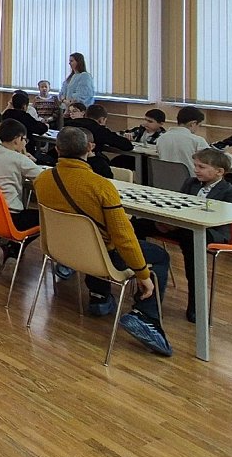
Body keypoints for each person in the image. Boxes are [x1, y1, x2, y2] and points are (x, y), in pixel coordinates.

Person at [33, 127, 172, 357]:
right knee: (160, 256)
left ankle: (100, 298)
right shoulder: (101, 186)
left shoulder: (42, 180)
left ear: (57, 150)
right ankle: (145, 315)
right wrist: (143, 275)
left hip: (63, 251)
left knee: (96, 239)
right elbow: (124, 237)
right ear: (89, 148)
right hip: (101, 256)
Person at [132, 148, 232, 322]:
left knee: (191, 241)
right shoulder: (191, 183)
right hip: (183, 227)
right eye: (195, 166)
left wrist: (175, 226)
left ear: (219, 172)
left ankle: (196, 306)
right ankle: (142, 280)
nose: (196, 170)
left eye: (202, 167)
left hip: (210, 232)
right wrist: (167, 222)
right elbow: (180, 204)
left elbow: (221, 219)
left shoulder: (231, 192)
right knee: (138, 225)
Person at [0, 119, 46, 264]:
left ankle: (6, 246)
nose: (25, 143)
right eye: (24, 139)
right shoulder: (19, 159)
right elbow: (42, 176)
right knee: (45, 217)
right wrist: (28, 158)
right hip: (10, 217)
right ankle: (11, 249)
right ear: (17, 139)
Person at [155, 106, 209, 174]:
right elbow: (211, 161)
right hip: (190, 178)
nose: (198, 128)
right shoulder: (197, 140)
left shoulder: (161, 138)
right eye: (199, 125)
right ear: (193, 123)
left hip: (165, 177)